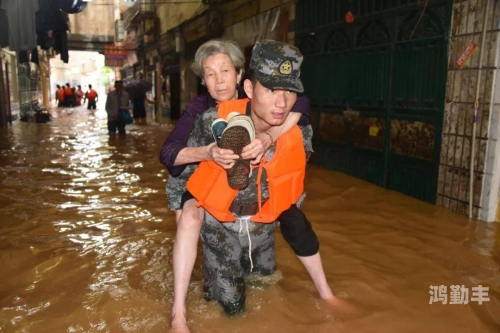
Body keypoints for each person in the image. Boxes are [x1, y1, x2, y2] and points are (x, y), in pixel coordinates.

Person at [161, 39, 331, 332]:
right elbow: (170, 155)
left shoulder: (281, 108)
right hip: (205, 188)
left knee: (269, 282)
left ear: (241, 76)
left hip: (258, 206)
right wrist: (208, 153)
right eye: (210, 74)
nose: (219, 80)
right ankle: (179, 312)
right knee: (191, 223)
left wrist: (269, 137)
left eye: (225, 71)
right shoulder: (202, 113)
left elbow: (301, 103)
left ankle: (326, 294)